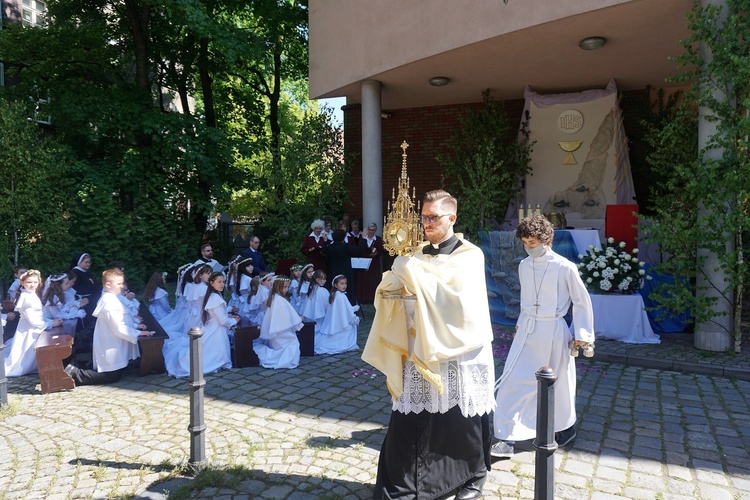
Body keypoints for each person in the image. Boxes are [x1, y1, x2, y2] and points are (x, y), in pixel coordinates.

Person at [362, 189, 495, 500]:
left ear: (452, 218)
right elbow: (400, 281)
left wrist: (407, 269)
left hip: (459, 350)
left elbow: (451, 295)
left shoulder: (469, 254)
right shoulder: (417, 254)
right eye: (423, 217)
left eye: (433, 217)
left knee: (462, 418)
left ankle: (472, 476)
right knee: (411, 418)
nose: (426, 223)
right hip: (420, 347)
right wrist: (390, 286)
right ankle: (408, 484)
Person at [491, 214, 595, 458]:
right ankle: (506, 436)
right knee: (512, 381)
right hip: (528, 330)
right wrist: (520, 322)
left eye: (533, 243)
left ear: (546, 240)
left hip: (555, 330)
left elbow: (581, 301)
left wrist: (582, 333)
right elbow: (526, 301)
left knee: (558, 383)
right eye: (525, 242)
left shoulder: (564, 267)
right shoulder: (524, 265)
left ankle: (563, 429)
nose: (529, 247)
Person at [65, 269, 152, 385]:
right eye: (119, 284)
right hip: (110, 344)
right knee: (111, 376)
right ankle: (74, 373)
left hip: (114, 341)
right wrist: (138, 333)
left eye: (122, 283)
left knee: (118, 370)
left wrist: (135, 325)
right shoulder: (109, 302)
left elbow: (124, 318)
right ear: (108, 284)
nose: (123, 287)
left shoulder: (114, 298)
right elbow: (119, 327)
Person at [164, 272, 237, 378]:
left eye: (223, 282)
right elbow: (223, 321)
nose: (222, 284)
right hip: (215, 329)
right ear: (211, 283)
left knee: (215, 350)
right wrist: (235, 321)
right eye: (219, 282)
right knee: (210, 352)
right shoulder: (215, 298)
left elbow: (219, 315)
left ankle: (223, 361)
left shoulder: (213, 295)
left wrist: (230, 316)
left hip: (214, 327)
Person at [4, 270, 63, 377]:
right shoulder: (26, 297)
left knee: (29, 353)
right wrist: (51, 324)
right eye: (29, 282)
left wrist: (50, 321)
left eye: (35, 282)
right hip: (28, 329)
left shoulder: (32, 294)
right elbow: (32, 320)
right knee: (24, 353)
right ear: (22, 283)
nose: (32, 285)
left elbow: (38, 316)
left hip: (34, 327)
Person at [255, 276, 303, 369]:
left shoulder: (276, 298)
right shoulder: (278, 300)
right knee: (293, 343)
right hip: (281, 331)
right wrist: (297, 319)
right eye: (284, 287)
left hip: (279, 330)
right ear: (277, 287)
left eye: (287, 287)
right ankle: (285, 360)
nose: (286, 289)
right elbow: (283, 319)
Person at [316, 275, 360, 355]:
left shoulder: (335, 294)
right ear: (336, 285)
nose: (344, 286)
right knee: (351, 326)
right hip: (341, 321)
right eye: (342, 284)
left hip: (336, 320)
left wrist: (352, 309)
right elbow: (347, 312)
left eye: (345, 283)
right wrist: (354, 315)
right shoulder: (340, 296)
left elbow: (344, 309)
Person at [323, 229, 365, 306]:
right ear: (343, 237)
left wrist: (325, 241)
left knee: (334, 288)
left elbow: (324, 250)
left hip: (333, 271)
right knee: (346, 288)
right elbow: (360, 250)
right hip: (345, 271)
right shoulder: (346, 247)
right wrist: (364, 238)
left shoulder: (330, 247)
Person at [356, 223, 385, 304]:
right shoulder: (363, 238)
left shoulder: (378, 239)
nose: (371, 231)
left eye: (373, 230)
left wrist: (376, 254)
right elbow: (359, 248)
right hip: (364, 262)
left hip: (374, 263)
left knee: (373, 280)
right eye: (369, 230)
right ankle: (363, 298)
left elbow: (381, 250)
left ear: (375, 231)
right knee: (364, 280)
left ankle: (372, 298)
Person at [69, 252, 101, 325]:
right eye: (86, 262)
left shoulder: (86, 272)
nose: (88, 264)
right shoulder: (75, 273)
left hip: (91, 299)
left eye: (89, 262)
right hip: (84, 302)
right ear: (79, 262)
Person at [302, 270, 328, 334]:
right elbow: (326, 303)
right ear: (318, 280)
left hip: (312, 314)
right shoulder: (321, 291)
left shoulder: (312, 288)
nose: (325, 281)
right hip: (320, 315)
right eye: (323, 279)